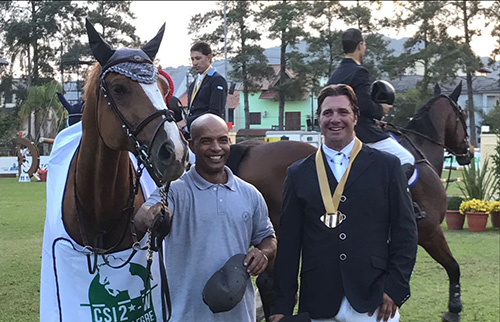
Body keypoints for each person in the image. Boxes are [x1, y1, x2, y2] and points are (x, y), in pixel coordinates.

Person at [269, 84, 417, 322]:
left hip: (373, 299)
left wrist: (395, 289)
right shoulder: (298, 173)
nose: (335, 119)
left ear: (355, 117)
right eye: (328, 113)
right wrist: (281, 306)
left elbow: (405, 232)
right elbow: (288, 244)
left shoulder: (387, 166)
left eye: (342, 112)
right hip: (318, 301)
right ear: (318, 118)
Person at [138, 114, 277, 321]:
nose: (216, 148)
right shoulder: (174, 191)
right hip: (185, 315)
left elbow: (268, 238)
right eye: (206, 141)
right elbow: (140, 218)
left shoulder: (250, 194)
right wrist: (151, 215)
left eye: (222, 140)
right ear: (191, 145)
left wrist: (263, 253)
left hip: (239, 315)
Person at [326, 28, 416, 185]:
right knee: (406, 158)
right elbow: (364, 105)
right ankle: (393, 199)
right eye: (364, 45)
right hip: (362, 133)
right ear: (360, 45)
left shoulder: (335, 74)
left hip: (339, 132)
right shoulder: (359, 72)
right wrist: (381, 109)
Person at [185, 42, 228, 133]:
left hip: (209, 132)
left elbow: (215, 112)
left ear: (209, 57)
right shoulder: (193, 84)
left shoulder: (217, 80)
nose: (194, 63)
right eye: (192, 59)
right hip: (193, 131)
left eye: (198, 58)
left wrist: (186, 122)